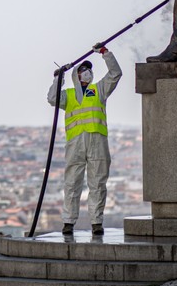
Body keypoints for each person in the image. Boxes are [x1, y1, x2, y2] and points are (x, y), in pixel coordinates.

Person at [48, 46, 122, 235]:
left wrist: (106, 53)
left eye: (88, 69)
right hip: (76, 143)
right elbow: (52, 98)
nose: (87, 72)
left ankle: (97, 222)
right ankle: (68, 222)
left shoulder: (99, 90)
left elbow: (115, 73)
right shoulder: (69, 95)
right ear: (76, 75)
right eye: (83, 70)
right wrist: (59, 78)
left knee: (98, 183)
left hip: (97, 141)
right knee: (72, 183)